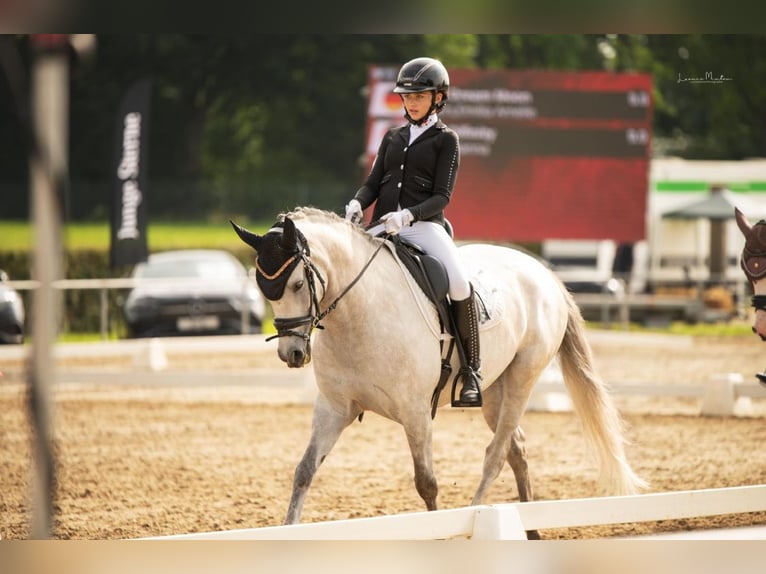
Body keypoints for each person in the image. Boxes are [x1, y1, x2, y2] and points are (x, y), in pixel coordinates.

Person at [344, 56, 482, 407]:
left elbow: (442, 196)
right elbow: (373, 183)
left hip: (423, 228)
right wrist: (358, 203)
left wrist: (408, 216)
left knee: (459, 282)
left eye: (420, 96)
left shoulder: (446, 140)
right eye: (407, 96)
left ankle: (472, 372)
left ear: (438, 97)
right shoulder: (392, 138)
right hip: (384, 227)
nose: (412, 101)